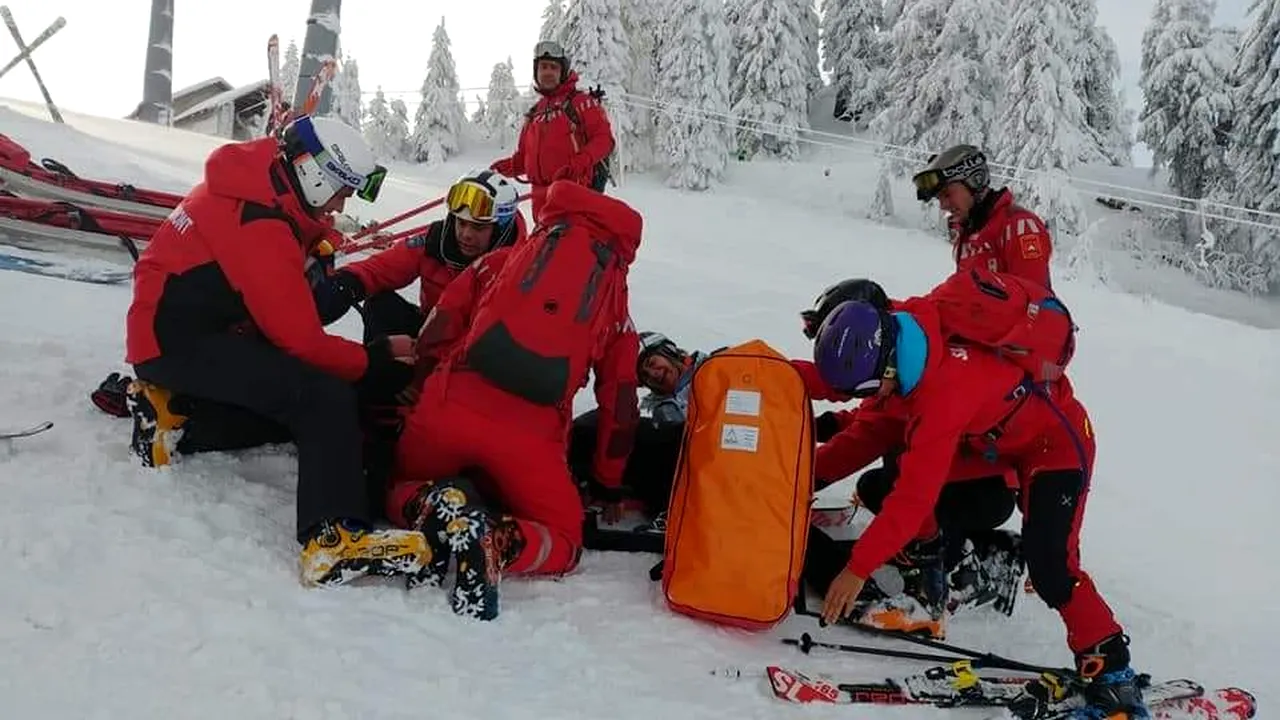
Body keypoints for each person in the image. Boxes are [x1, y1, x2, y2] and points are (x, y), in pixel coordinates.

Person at [123, 114, 430, 588]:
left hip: (182, 330)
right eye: (341, 188)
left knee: (293, 406)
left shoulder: (259, 181)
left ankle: (177, 416)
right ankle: (331, 540)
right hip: (179, 341)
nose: (344, 200)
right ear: (313, 174)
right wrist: (374, 363)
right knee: (323, 396)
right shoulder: (259, 223)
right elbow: (300, 339)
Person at [811, 298, 1148, 720]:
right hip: (999, 447)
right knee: (892, 471)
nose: (870, 399)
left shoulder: (942, 393)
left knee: (1053, 566)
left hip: (1055, 446)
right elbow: (868, 430)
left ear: (887, 368)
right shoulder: (912, 342)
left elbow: (914, 500)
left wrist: (857, 569)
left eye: (866, 389)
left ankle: (1114, 672)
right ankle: (970, 560)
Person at [385, 180, 642, 621]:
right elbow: (619, 408)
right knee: (565, 539)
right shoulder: (615, 308)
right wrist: (606, 483)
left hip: (450, 409)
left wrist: (422, 389)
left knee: (395, 484)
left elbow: (440, 326)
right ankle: (500, 540)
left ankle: (426, 504)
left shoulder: (501, 262)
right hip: (530, 442)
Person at [792, 278, 1023, 634]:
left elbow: (880, 449)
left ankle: (940, 586)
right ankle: (977, 549)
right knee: (875, 487)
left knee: (900, 473)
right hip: (960, 473)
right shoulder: (898, 353)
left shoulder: (921, 377)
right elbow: (865, 428)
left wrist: (857, 569)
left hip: (985, 483)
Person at [314, 170, 529, 342]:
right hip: (431, 334)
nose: (466, 235)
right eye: (461, 223)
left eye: (478, 227)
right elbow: (384, 267)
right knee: (379, 303)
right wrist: (346, 282)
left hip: (476, 354)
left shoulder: (519, 268)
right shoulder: (435, 242)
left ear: (500, 229)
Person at [570, 331, 715, 536]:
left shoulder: (714, 370)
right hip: (694, 473)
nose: (654, 375)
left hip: (732, 453)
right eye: (646, 377)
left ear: (668, 351)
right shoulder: (663, 412)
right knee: (602, 425)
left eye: (652, 363)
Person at [489, 40, 615, 218]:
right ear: (536, 72)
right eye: (543, 67)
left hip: (574, 198)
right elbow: (523, 160)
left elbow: (604, 140)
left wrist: (580, 162)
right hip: (541, 207)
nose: (547, 72)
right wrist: (498, 170)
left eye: (553, 68)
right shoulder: (534, 114)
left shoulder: (580, 103)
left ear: (562, 72)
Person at [912, 145, 1054, 290]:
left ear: (975, 182)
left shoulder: (1020, 226)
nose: (943, 205)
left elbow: (1034, 300)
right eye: (939, 198)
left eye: (947, 194)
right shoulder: (968, 233)